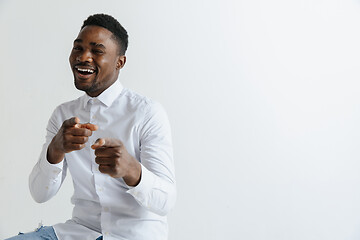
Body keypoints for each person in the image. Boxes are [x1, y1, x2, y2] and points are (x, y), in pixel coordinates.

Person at [6, 13, 176, 240]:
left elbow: (166, 202)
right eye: (78, 48)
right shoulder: (64, 115)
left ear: (120, 62)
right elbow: (39, 194)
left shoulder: (147, 113)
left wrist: (131, 170)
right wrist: (54, 151)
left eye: (97, 51)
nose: (83, 57)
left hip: (134, 235)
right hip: (79, 232)